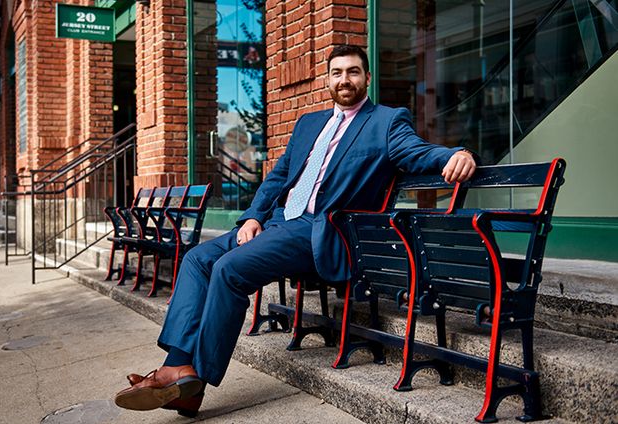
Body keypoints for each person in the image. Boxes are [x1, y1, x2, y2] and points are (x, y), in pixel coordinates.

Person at [114, 45, 476, 417]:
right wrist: (252, 217)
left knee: (229, 269)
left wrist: (455, 155)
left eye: (353, 72)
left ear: (367, 78)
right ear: (327, 79)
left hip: (322, 231)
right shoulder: (309, 124)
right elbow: (279, 178)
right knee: (197, 259)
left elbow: (415, 151)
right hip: (279, 222)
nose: (344, 80)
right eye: (337, 72)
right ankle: (178, 367)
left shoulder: (385, 121)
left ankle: (192, 383)